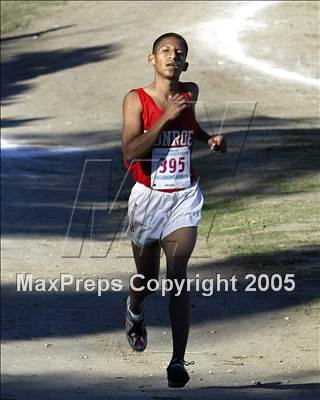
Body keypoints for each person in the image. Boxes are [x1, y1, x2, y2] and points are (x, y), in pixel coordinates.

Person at [121, 32, 226, 388]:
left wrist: (207, 137)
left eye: (179, 53)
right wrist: (164, 117)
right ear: (152, 59)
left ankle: (178, 361)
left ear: (185, 64)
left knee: (177, 273)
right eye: (165, 51)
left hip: (183, 196)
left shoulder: (190, 93)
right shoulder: (136, 100)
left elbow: (189, 126)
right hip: (148, 197)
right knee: (148, 279)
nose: (172, 56)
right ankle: (135, 308)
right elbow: (132, 152)